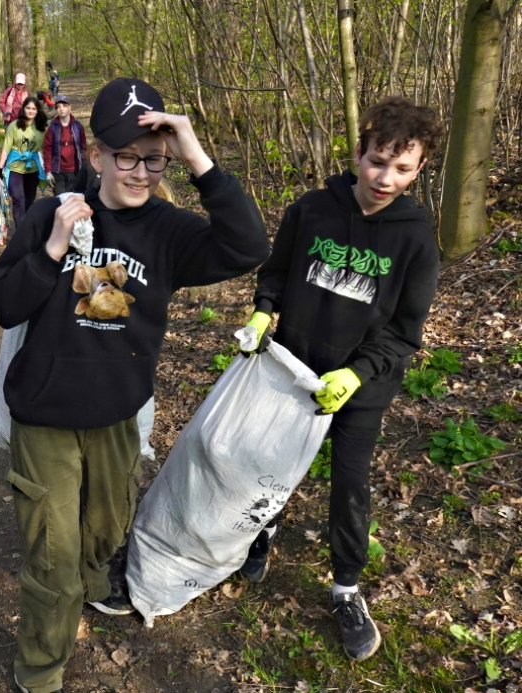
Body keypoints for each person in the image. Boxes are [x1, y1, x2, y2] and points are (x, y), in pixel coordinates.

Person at [0, 77, 269, 693]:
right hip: (45, 414)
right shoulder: (47, 214)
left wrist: (196, 154)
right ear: (95, 155)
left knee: (106, 532)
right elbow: (2, 307)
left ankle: (86, 587)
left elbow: (250, 246)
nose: (141, 173)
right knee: (52, 562)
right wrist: (54, 247)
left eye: (154, 159)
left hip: (117, 416)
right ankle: (40, 669)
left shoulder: (171, 231)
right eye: (127, 158)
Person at [238, 96, 444, 662]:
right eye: (378, 161)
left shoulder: (417, 239)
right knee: (273, 461)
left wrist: (358, 374)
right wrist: (263, 309)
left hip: (361, 389)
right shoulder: (312, 209)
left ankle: (346, 588)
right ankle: (263, 530)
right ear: (359, 152)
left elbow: (405, 331)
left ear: (420, 169)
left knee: (349, 484)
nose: (386, 178)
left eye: (403, 169)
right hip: (294, 368)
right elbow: (276, 270)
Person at [0, 96, 48, 231]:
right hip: (15, 167)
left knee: (29, 201)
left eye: (33, 108)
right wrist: (0, 168)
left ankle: (27, 228)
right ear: (23, 109)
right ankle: (21, 231)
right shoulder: (14, 126)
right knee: (18, 199)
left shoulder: (42, 127)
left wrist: (48, 168)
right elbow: (6, 147)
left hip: (32, 169)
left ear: (37, 111)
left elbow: (47, 148)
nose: (31, 111)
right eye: (28, 108)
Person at [42, 94, 88, 196]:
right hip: (58, 171)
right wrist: (48, 172)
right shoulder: (52, 128)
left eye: (64, 106)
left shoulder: (78, 126)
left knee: (74, 200)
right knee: (60, 200)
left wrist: (86, 168)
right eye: (58, 107)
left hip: (76, 170)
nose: (61, 109)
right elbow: (47, 151)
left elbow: (83, 148)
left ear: (69, 107)